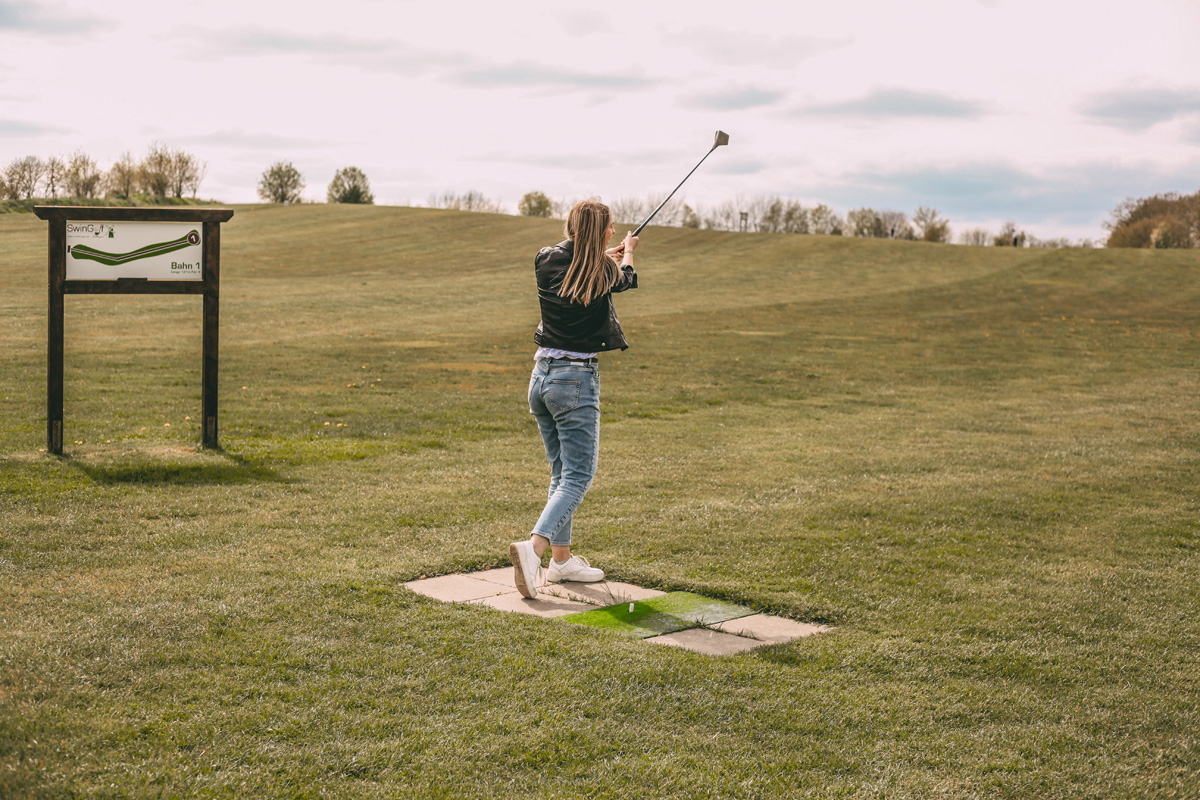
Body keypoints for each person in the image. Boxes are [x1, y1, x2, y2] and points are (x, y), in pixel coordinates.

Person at [510, 200, 639, 598]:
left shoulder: (545, 259)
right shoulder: (605, 271)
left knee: (560, 474)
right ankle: (533, 551)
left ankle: (561, 563)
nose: (615, 234)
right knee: (579, 476)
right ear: (601, 233)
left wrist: (602, 255)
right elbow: (628, 279)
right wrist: (627, 254)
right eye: (611, 229)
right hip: (575, 381)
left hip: (541, 378)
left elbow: (577, 262)